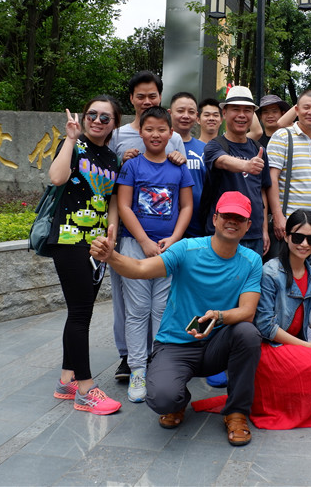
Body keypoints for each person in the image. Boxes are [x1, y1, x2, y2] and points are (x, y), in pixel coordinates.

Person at [89, 191, 263, 446]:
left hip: (217, 344)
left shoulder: (252, 261)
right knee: (162, 399)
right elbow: (140, 268)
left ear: (248, 225)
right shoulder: (187, 249)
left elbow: (247, 311)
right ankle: (178, 400)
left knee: (248, 333)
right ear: (215, 219)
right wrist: (111, 256)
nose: (232, 221)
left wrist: (219, 316)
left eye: (239, 218)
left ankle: (236, 412)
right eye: (227, 215)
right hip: (176, 343)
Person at [46, 96, 123, 415]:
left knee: (80, 312)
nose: (97, 120)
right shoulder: (74, 146)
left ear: (114, 124)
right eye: (92, 114)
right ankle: (86, 390)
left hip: (97, 243)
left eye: (105, 117)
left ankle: (67, 380)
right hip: (68, 239)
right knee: (80, 313)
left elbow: (112, 198)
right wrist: (69, 138)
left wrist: (112, 231)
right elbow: (57, 178)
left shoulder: (112, 158)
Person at [115, 106, 194, 402]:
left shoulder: (179, 167)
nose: (155, 134)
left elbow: (186, 206)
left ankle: (159, 366)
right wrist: (144, 240)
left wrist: (174, 239)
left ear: (171, 133)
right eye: (149, 129)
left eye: (162, 129)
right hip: (135, 247)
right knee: (137, 310)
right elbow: (124, 205)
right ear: (141, 132)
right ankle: (137, 369)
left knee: (162, 309)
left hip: (168, 250)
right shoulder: (132, 166)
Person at [250, 209, 311, 428]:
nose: (304, 244)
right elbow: (265, 327)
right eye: (298, 237)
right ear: (286, 237)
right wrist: (305, 346)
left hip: (297, 345)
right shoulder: (270, 272)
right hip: (270, 348)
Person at [202, 86, 277, 258]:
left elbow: (261, 192)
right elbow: (222, 161)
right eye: (236, 109)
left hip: (254, 233)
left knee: (251, 275)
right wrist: (246, 166)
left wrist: (264, 230)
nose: (242, 115)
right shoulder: (215, 145)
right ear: (224, 113)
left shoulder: (258, 149)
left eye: (247, 110)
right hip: (223, 231)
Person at [267, 90, 311, 261]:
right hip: (289, 222)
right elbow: (271, 179)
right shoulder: (282, 136)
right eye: (306, 107)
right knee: (284, 272)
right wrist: (278, 216)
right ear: (296, 110)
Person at [169, 92, 206, 237]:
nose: (185, 116)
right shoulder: (159, 147)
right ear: (170, 113)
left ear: (196, 117)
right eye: (180, 111)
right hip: (164, 227)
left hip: (198, 228)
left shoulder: (205, 149)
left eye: (191, 112)